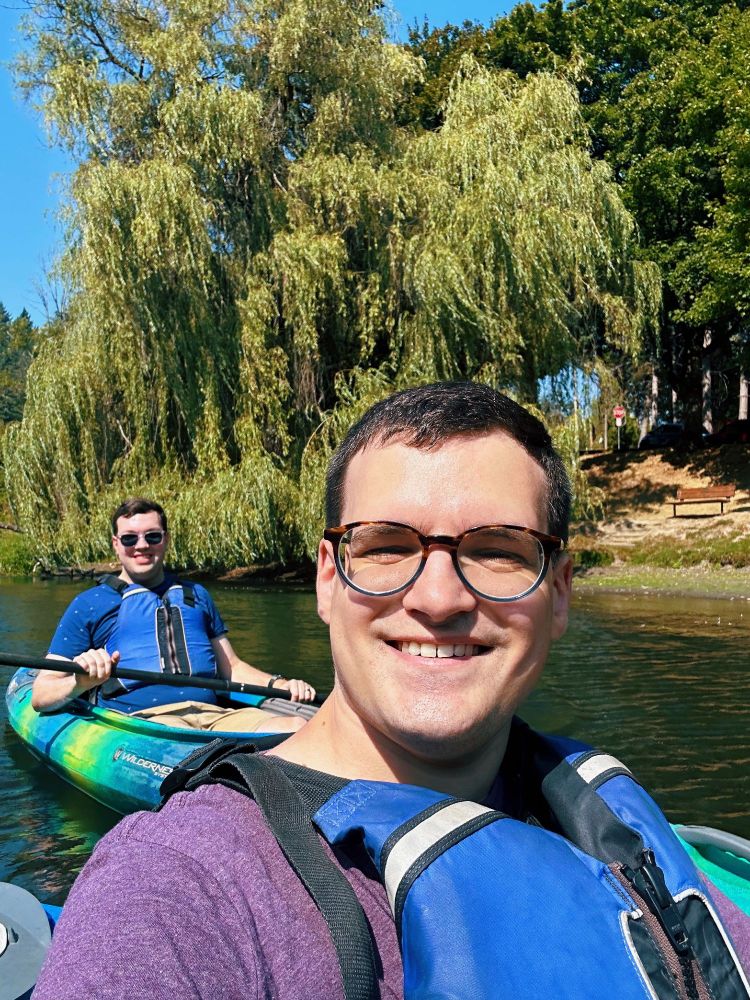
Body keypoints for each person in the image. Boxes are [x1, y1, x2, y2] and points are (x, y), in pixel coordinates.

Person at [33, 384, 750, 999]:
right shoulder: (175, 885)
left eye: (497, 550)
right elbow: (44, 694)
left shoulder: (613, 822)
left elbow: (231, 667)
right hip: (147, 713)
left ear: (560, 593)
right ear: (327, 578)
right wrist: (84, 677)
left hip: (214, 707)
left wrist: (274, 684)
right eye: (385, 547)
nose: (438, 599)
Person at [31, 497, 316, 732]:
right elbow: (42, 694)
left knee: (295, 726)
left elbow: (232, 667)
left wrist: (280, 683)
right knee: (187, 746)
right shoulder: (91, 603)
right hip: (148, 722)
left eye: (152, 536)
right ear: (116, 544)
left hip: (214, 716)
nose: (142, 545)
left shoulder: (196, 594)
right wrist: (81, 682)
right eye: (129, 538)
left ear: (165, 539)